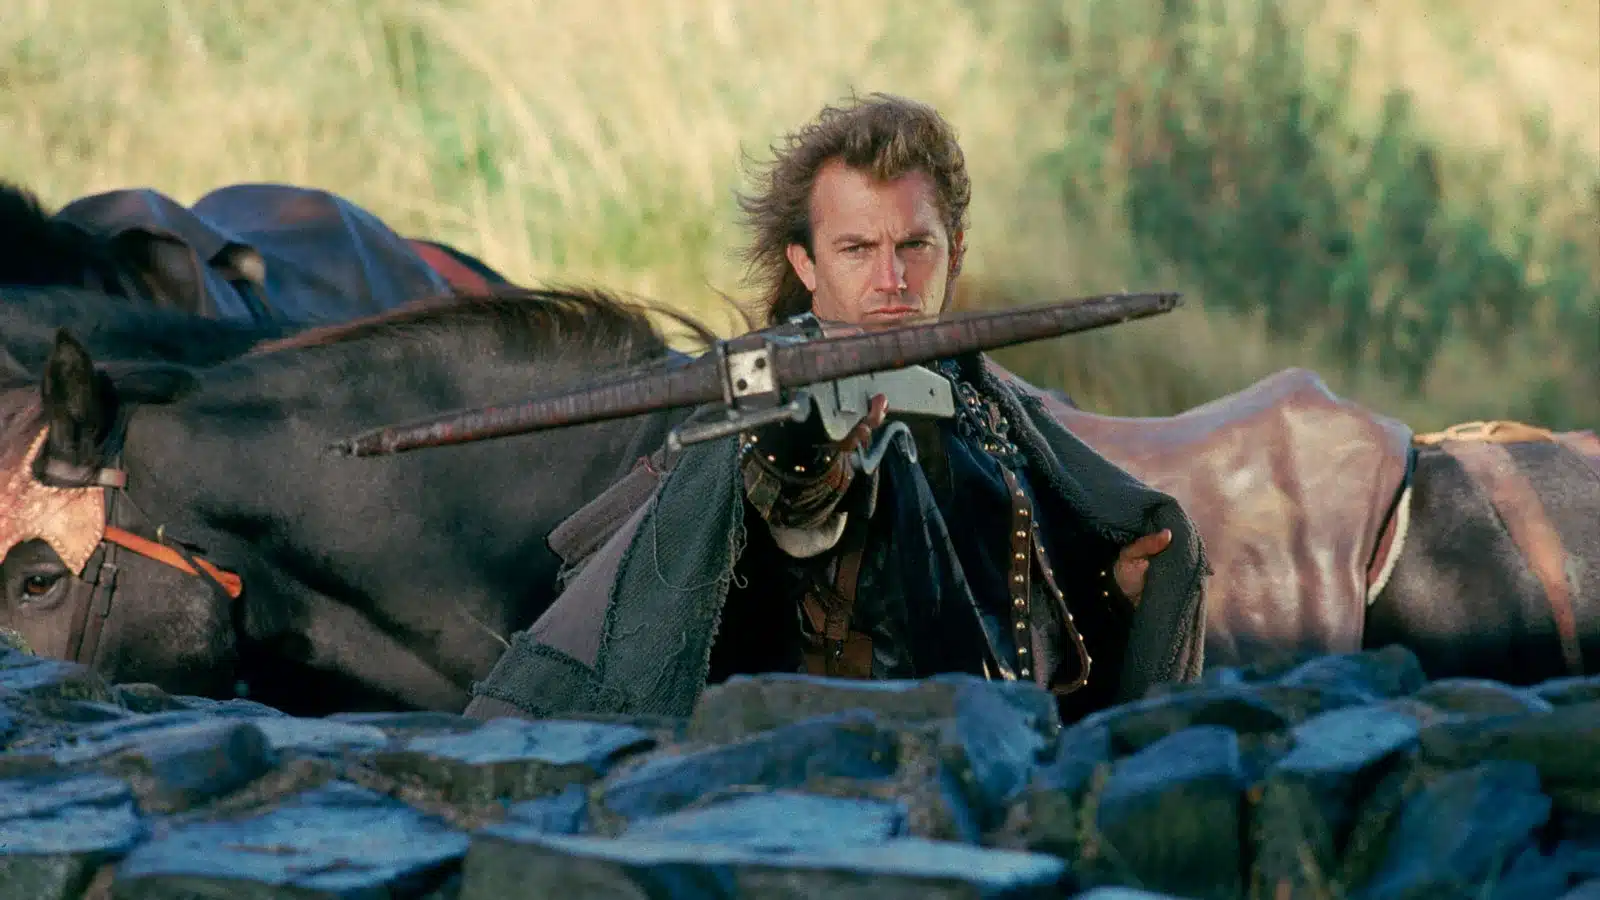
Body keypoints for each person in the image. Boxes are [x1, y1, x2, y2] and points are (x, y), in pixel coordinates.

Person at [463, 93, 1208, 724]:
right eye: (857, 249)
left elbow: (1009, 614)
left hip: (991, 757)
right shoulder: (774, 401)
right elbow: (787, 489)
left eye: (914, 245)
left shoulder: (988, 403)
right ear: (807, 264)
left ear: (954, 251)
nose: (892, 279)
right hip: (827, 768)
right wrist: (810, 456)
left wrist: (1112, 594)